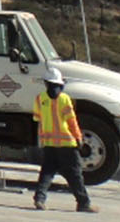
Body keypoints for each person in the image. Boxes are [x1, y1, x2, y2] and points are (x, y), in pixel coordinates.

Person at [32, 67, 97, 213]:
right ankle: (83, 203)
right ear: (59, 84)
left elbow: (38, 120)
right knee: (75, 174)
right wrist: (79, 138)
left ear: (46, 83)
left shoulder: (39, 99)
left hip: (49, 143)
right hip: (67, 144)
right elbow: (71, 121)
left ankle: (39, 199)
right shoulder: (64, 99)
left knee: (47, 172)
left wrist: (41, 141)